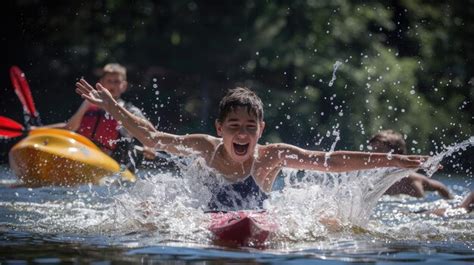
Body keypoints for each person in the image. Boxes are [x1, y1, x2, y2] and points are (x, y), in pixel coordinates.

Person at [76, 82, 429, 212]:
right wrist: (113, 107)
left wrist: (390, 159)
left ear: (261, 129)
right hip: (208, 220)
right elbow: (153, 139)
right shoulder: (205, 147)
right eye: (234, 127)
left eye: (250, 127)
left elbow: (329, 162)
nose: (242, 134)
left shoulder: (271, 156)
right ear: (220, 128)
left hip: (257, 219)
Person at [44, 63, 156, 167]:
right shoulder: (89, 102)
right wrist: (38, 130)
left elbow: (149, 132)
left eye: (116, 81)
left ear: (124, 86)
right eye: (109, 81)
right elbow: (70, 127)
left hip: (115, 165)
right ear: (101, 83)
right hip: (84, 157)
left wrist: (148, 146)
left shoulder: (130, 110)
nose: (112, 85)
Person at [368, 130, 452, 199]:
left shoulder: (413, 180)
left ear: (398, 154)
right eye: (372, 151)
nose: (373, 156)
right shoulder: (371, 180)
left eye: (379, 150)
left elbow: (440, 187)